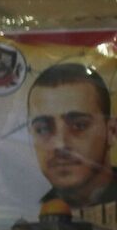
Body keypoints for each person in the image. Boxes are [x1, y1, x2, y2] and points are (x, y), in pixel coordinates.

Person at [27, 62, 117, 213]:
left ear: (112, 131)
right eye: (43, 129)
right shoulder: (29, 210)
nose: (60, 144)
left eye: (79, 125)